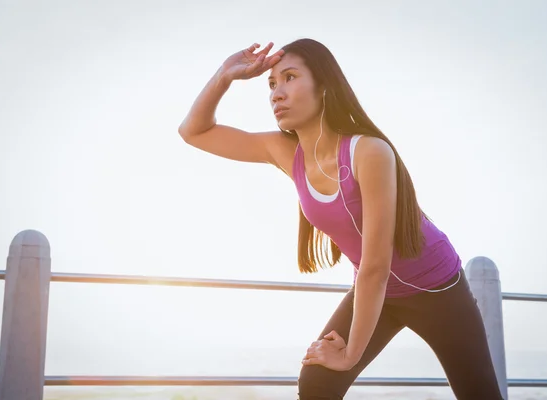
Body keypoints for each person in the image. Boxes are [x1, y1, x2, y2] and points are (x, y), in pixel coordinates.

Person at [178, 38, 504, 400]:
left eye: (289, 78)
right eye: (271, 84)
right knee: (317, 383)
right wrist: (225, 75)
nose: (276, 93)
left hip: (437, 290)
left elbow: (376, 265)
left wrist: (350, 355)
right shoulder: (285, 152)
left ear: (324, 87)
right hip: (377, 292)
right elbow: (193, 132)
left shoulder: (369, 150)